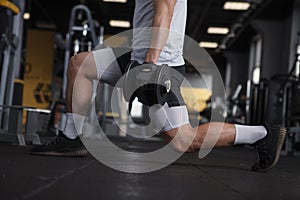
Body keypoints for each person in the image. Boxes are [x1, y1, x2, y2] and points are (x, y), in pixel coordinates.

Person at [30, 0, 286, 173]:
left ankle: (263, 134)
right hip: (135, 56)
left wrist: (149, 65)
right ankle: (71, 137)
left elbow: (164, 15)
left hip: (158, 63)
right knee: (80, 65)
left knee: (184, 140)